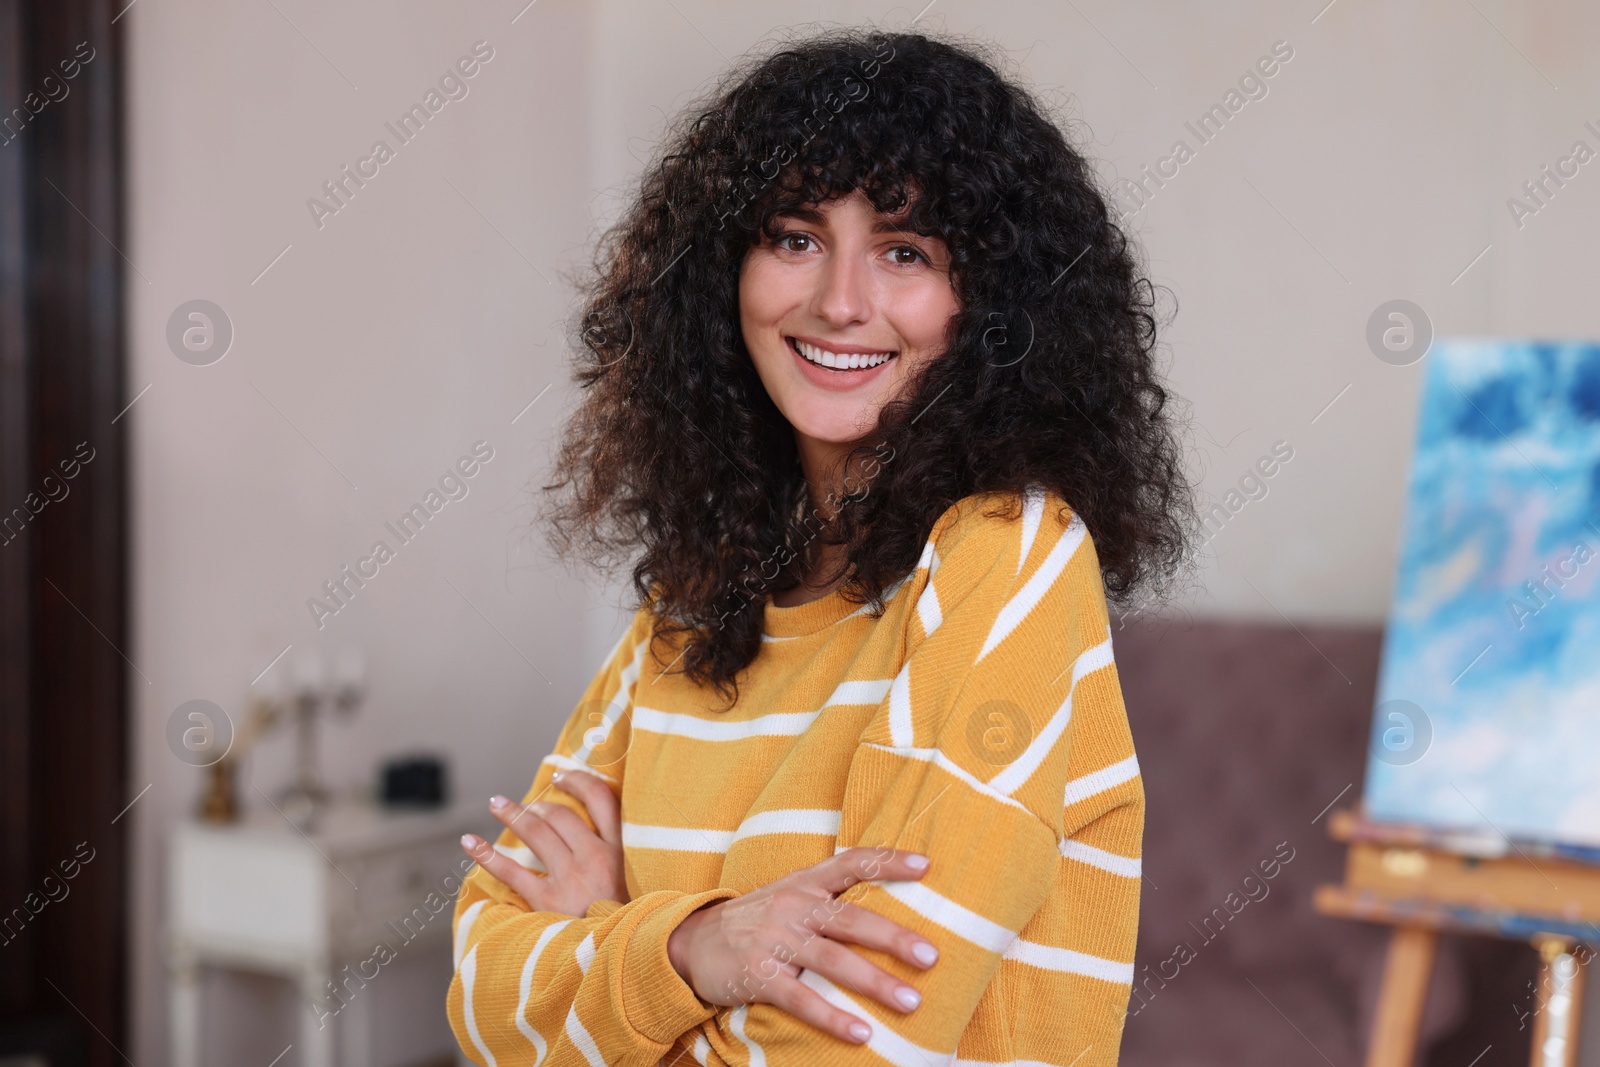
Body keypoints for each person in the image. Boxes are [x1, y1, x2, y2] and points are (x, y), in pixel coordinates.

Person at [446, 26, 1197, 1067]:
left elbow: (854, 1038)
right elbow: (485, 993)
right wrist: (700, 945)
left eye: (904, 251)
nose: (839, 300)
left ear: (988, 304)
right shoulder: (694, 598)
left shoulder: (1008, 556)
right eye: (793, 236)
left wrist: (606, 948)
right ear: (721, 274)